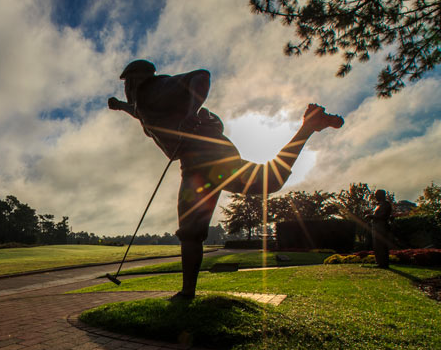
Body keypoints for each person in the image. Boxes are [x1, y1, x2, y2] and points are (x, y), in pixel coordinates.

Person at [108, 59, 344, 299]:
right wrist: (119, 106)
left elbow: (200, 76)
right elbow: (137, 111)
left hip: (204, 160)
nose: (126, 88)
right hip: (201, 160)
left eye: (127, 83)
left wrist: (190, 114)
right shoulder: (143, 103)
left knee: (190, 231)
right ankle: (308, 127)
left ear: (137, 79)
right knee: (268, 182)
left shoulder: (157, 89)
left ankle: (187, 292)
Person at [371, 189, 392, 268]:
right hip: (376, 227)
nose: (375, 196)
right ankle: (379, 262)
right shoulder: (378, 205)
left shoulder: (386, 205)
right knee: (377, 246)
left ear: (382, 195)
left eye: (377, 194)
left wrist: (372, 216)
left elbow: (384, 216)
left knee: (382, 246)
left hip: (382, 227)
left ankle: (383, 263)